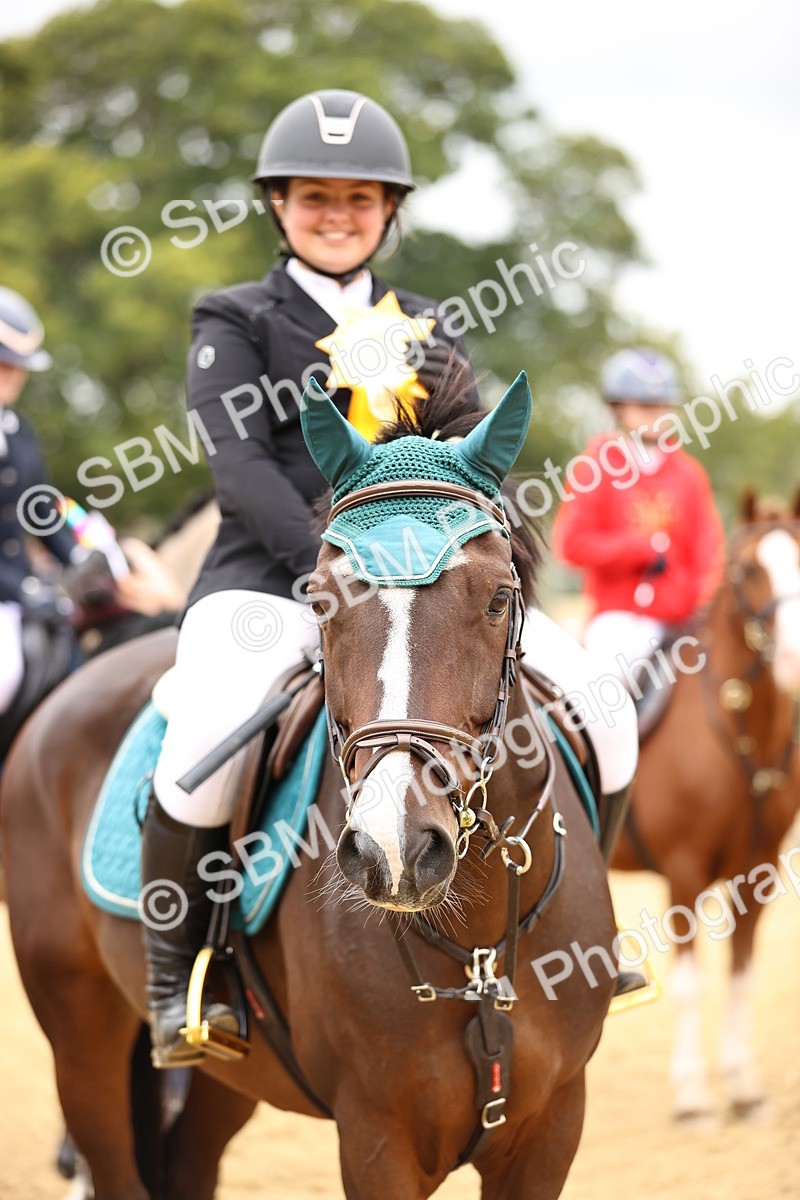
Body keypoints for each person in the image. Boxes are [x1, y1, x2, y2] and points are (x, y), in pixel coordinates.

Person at [142, 89, 640, 1067]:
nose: (337, 215)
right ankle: (186, 974)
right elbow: (240, 469)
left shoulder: (422, 322)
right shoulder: (233, 317)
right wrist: (335, 576)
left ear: (388, 213)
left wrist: (453, 575)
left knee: (602, 702)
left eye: (359, 200)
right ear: (278, 205)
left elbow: (467, 459)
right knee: (204, 729)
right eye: (315, 197)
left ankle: (587, 928)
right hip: (273, 580)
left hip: (427, 592)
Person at [552, 347, 725, 688]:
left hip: (682, 621)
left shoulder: (689, 474)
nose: (655, 416)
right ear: (618, 408)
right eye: (645, 407)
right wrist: (639, 550)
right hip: (619, 622)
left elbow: (709, 550)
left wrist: (702, 600)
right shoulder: (595, 464)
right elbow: (571, 545)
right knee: (603, 699)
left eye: (661, 407)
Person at [0, 287, 83, 718]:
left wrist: (78, 556)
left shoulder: (19, 429)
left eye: (16, 367)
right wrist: (25, 589)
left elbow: (42, 510)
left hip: (20, 595)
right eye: (4, 364)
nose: (12, 375)